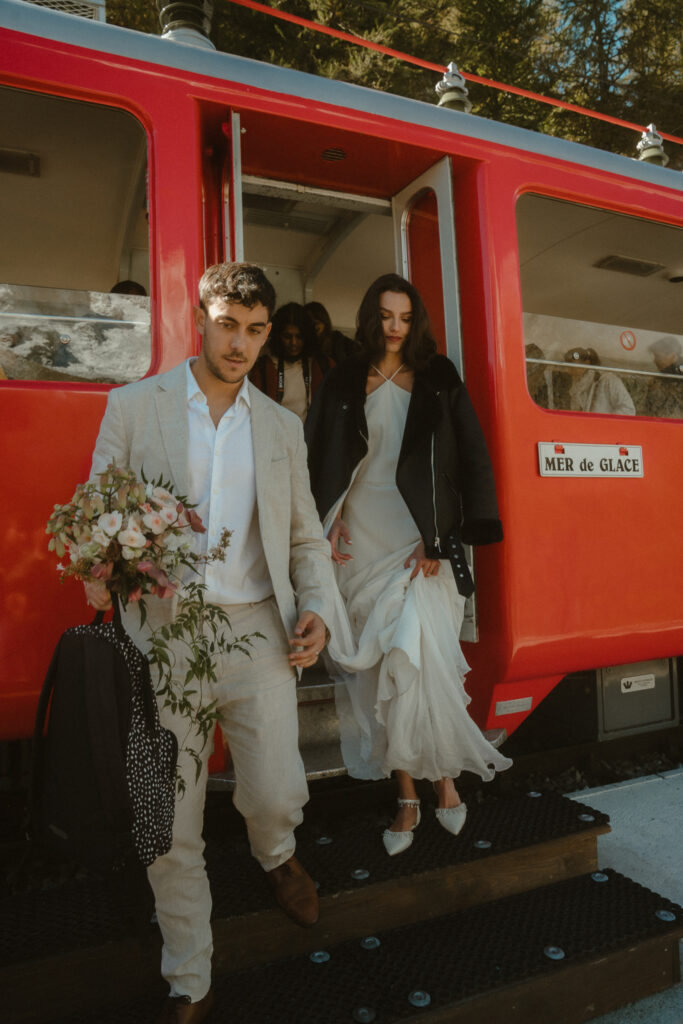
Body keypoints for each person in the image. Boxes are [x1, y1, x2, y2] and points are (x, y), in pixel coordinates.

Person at [84, 262, 335, 1024]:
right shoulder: (133, 406)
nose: (241, 343)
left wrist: (317, 607)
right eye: (228, 324)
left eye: (255, 330)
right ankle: (189, 977)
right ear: (201, 316)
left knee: (273, 790)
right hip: (161, 640)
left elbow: (305, 540)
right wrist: (99, 567)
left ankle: (276, 852)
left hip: (258, 630)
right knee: (167, 821)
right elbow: (98, 509)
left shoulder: (282, 425)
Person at [305, 273, 512, 857]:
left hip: (421, 536)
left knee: (421, 658)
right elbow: (319, 452)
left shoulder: (439, 375)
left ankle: (444, 780)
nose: (395, 328)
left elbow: (468, 454)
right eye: (386, 316)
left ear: (414, 321)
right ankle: (406, 794)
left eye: (404, 317)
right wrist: (330, 516)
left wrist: (442, 537)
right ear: (372, 318)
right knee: (381, 675)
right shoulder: (343, 378)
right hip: (363, 535)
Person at [251, 302, 329, 421]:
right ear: (278, 336)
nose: (293, 343)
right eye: (287, 337)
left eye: (299, 337)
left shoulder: (320, 366)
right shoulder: (264, 368)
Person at [563, 347, 635, 415]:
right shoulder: (575, 389)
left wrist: (605, 422)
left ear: (587, 364)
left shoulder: (608, 380)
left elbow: (628, 409)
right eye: (569, 368)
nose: (570, 372)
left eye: (573, 367)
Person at [644, 335, 683, 419]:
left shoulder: (679, 378)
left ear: (672, 356)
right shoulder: (658, 378)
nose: (654, 361)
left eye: (658, 356)